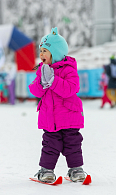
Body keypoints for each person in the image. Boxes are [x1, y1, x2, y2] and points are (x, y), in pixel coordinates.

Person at [29, 27, 86, 183]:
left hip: (69, 116)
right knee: (50, 144)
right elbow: (35, 91)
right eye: (40, 51)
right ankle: (46, 171)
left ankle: (76, 170)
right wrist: (42, 82)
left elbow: (71, 88)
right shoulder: (42, 70)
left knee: (72, 144)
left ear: (56, 53)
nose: (41, 54)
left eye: (45, 51)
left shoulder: (69, 69)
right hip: (50, 118)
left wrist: (54, 81)